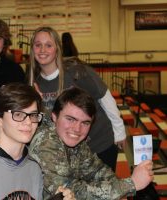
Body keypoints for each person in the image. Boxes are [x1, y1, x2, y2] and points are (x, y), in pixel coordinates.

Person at [29, 86, 154, 199]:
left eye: (85, 123)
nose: (77, 129)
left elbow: (98, 170)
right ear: (54, 117)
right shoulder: (46, 143)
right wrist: (131, 184)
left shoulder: (77, 143)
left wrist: (126, 185)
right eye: (70, 119)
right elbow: (70, 192)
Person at [29, 26, 126, 171]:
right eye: (38, 45)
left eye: (48, 45)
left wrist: (120, 132)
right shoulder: (34, 83)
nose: (43, 50)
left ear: (57, 49)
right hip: (70, 153)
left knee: (104, 191)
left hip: (99, 145)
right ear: (32, 50)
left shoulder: (77, 71)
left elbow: (105, 97)